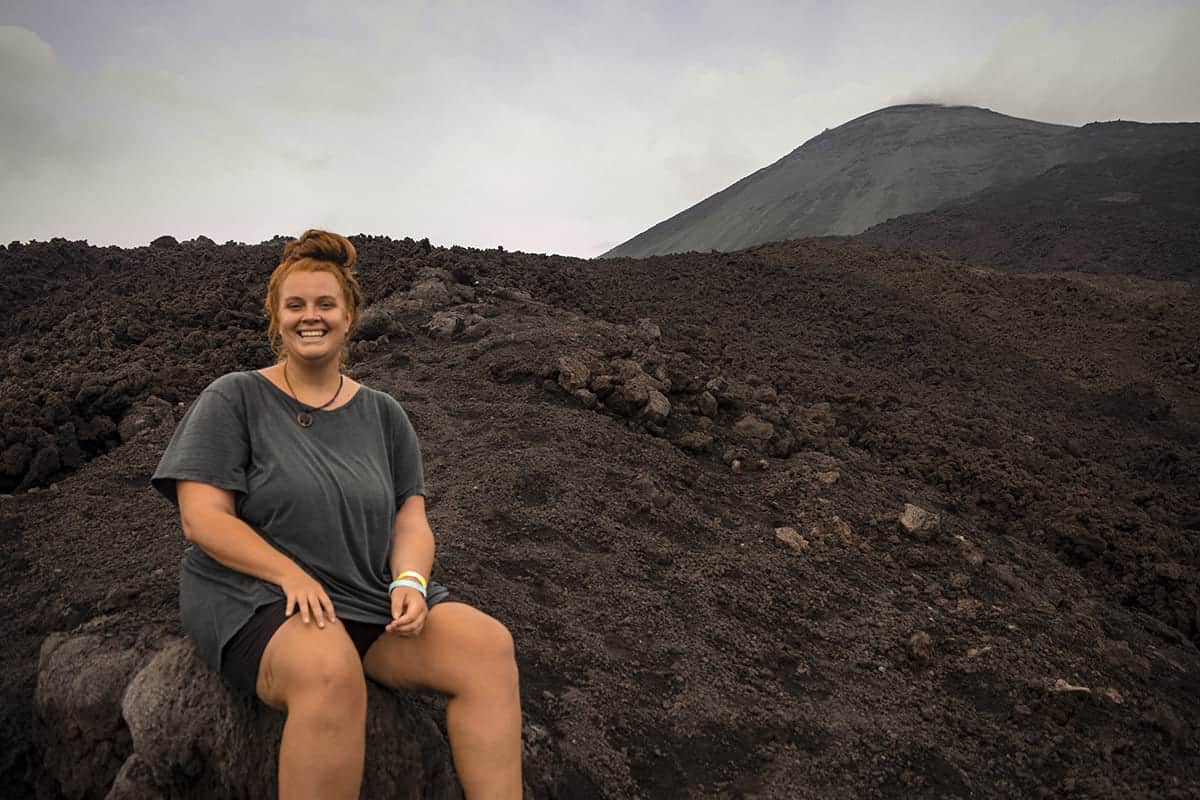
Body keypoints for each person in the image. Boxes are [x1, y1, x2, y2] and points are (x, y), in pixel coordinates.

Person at [151, 229, 522, 799]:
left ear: (350, 316)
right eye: (295, 305)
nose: (311, 316)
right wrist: (289, 575)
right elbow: (203, 518)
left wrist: (411, 582)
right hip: (253, 595)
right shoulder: (235, 398)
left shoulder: (384, 415)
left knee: (487, 647)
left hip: (360, 590)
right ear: (276, 317)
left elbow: (410, 519)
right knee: (329, 670)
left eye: (326, 304)